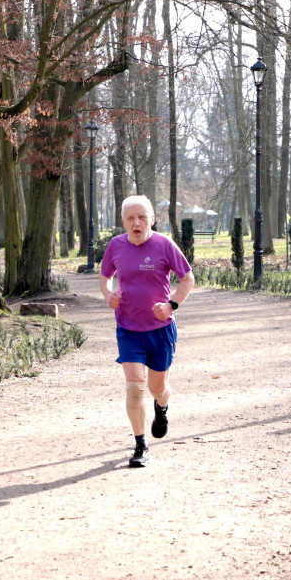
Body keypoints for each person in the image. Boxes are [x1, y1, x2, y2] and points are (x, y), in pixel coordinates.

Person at [100, 194, 195, 468]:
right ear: (123, 222)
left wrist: (171, 305)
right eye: (131, 218)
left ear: (152, 219)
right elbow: (105, 276)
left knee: (157, 387)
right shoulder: (116, 246)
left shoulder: (164, 245)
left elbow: (187, 278)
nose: (137, 223)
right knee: (134, 388)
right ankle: (141, 444)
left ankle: (162, 405)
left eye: (142, 217)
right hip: (128, 328)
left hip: (160, 330)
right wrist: (108, 295)